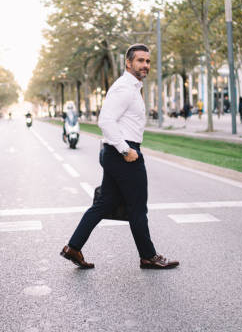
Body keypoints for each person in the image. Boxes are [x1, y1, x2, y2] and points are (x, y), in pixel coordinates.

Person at [61, 43, 179, 270]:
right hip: (124, 153)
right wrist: (126, 150)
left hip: (115, 152)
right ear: (128, 62)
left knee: (104, 204)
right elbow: (105, 121)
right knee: (137, 208)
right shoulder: (125, 87)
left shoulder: (131, 87)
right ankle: (148, 256)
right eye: (140, 61)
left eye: (147, 61)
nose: (145, 65)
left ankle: (73, 247)